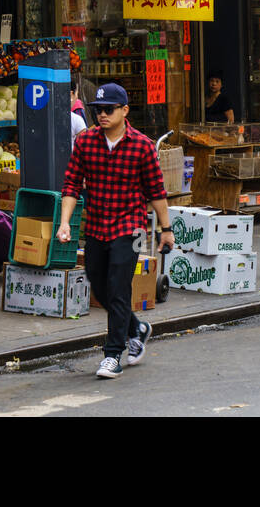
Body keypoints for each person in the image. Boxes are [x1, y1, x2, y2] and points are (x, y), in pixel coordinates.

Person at [60, 82, 172, 379]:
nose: (102, 115)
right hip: (96, 226)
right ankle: (137, 328)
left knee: (119, 287)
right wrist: (64, 223)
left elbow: (156, 192)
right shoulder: (85, 142)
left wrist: (166, 230)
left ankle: (112, 355)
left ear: (124, 110)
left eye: (109, 109)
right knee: (99, 286)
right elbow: (71, 185)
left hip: (131, 228)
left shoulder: (142, 146)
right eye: (98, 110)